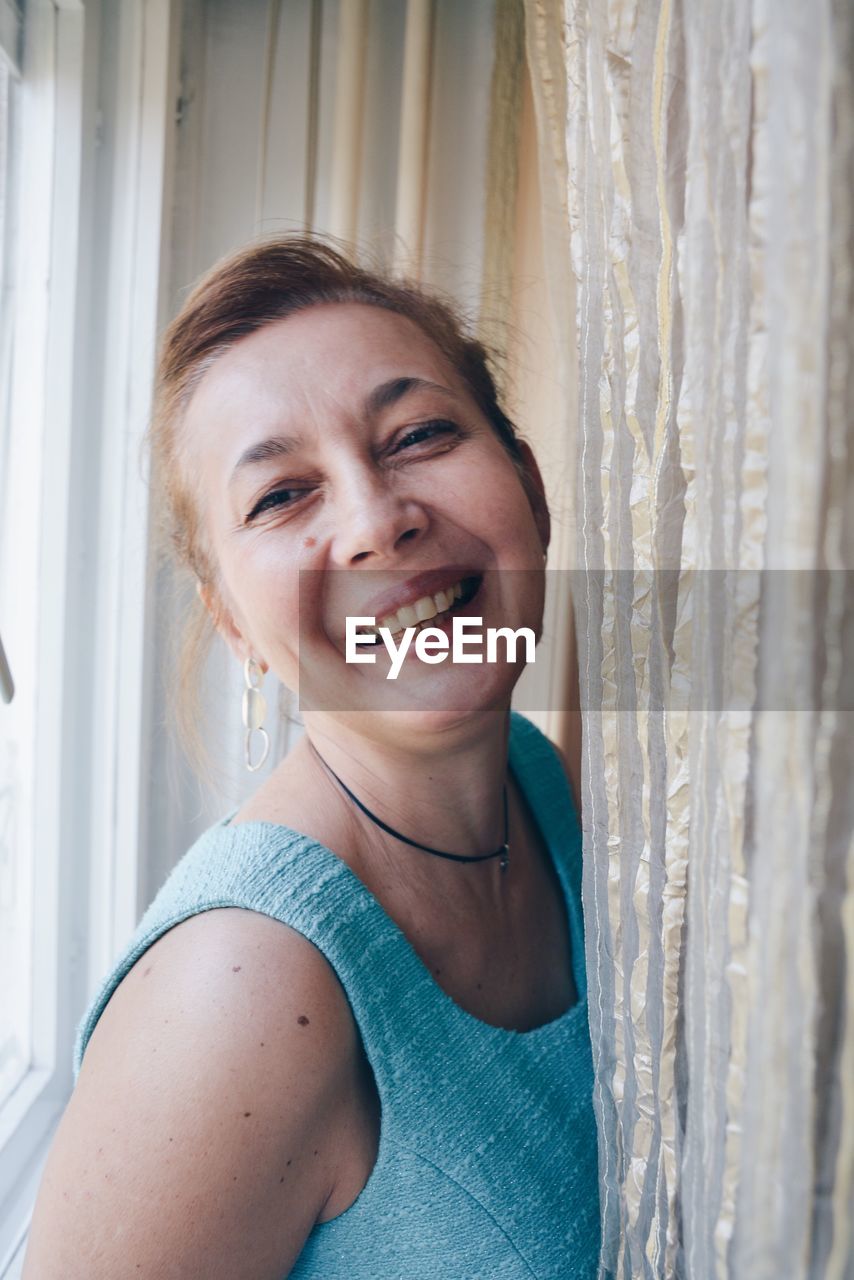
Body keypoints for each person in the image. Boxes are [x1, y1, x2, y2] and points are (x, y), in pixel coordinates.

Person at [22, 238, 600, 1278]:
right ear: (234, 626)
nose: (378, 521)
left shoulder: (541, 784)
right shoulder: (234, 989)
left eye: (418, 433)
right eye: (281, 495)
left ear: (530, 488)